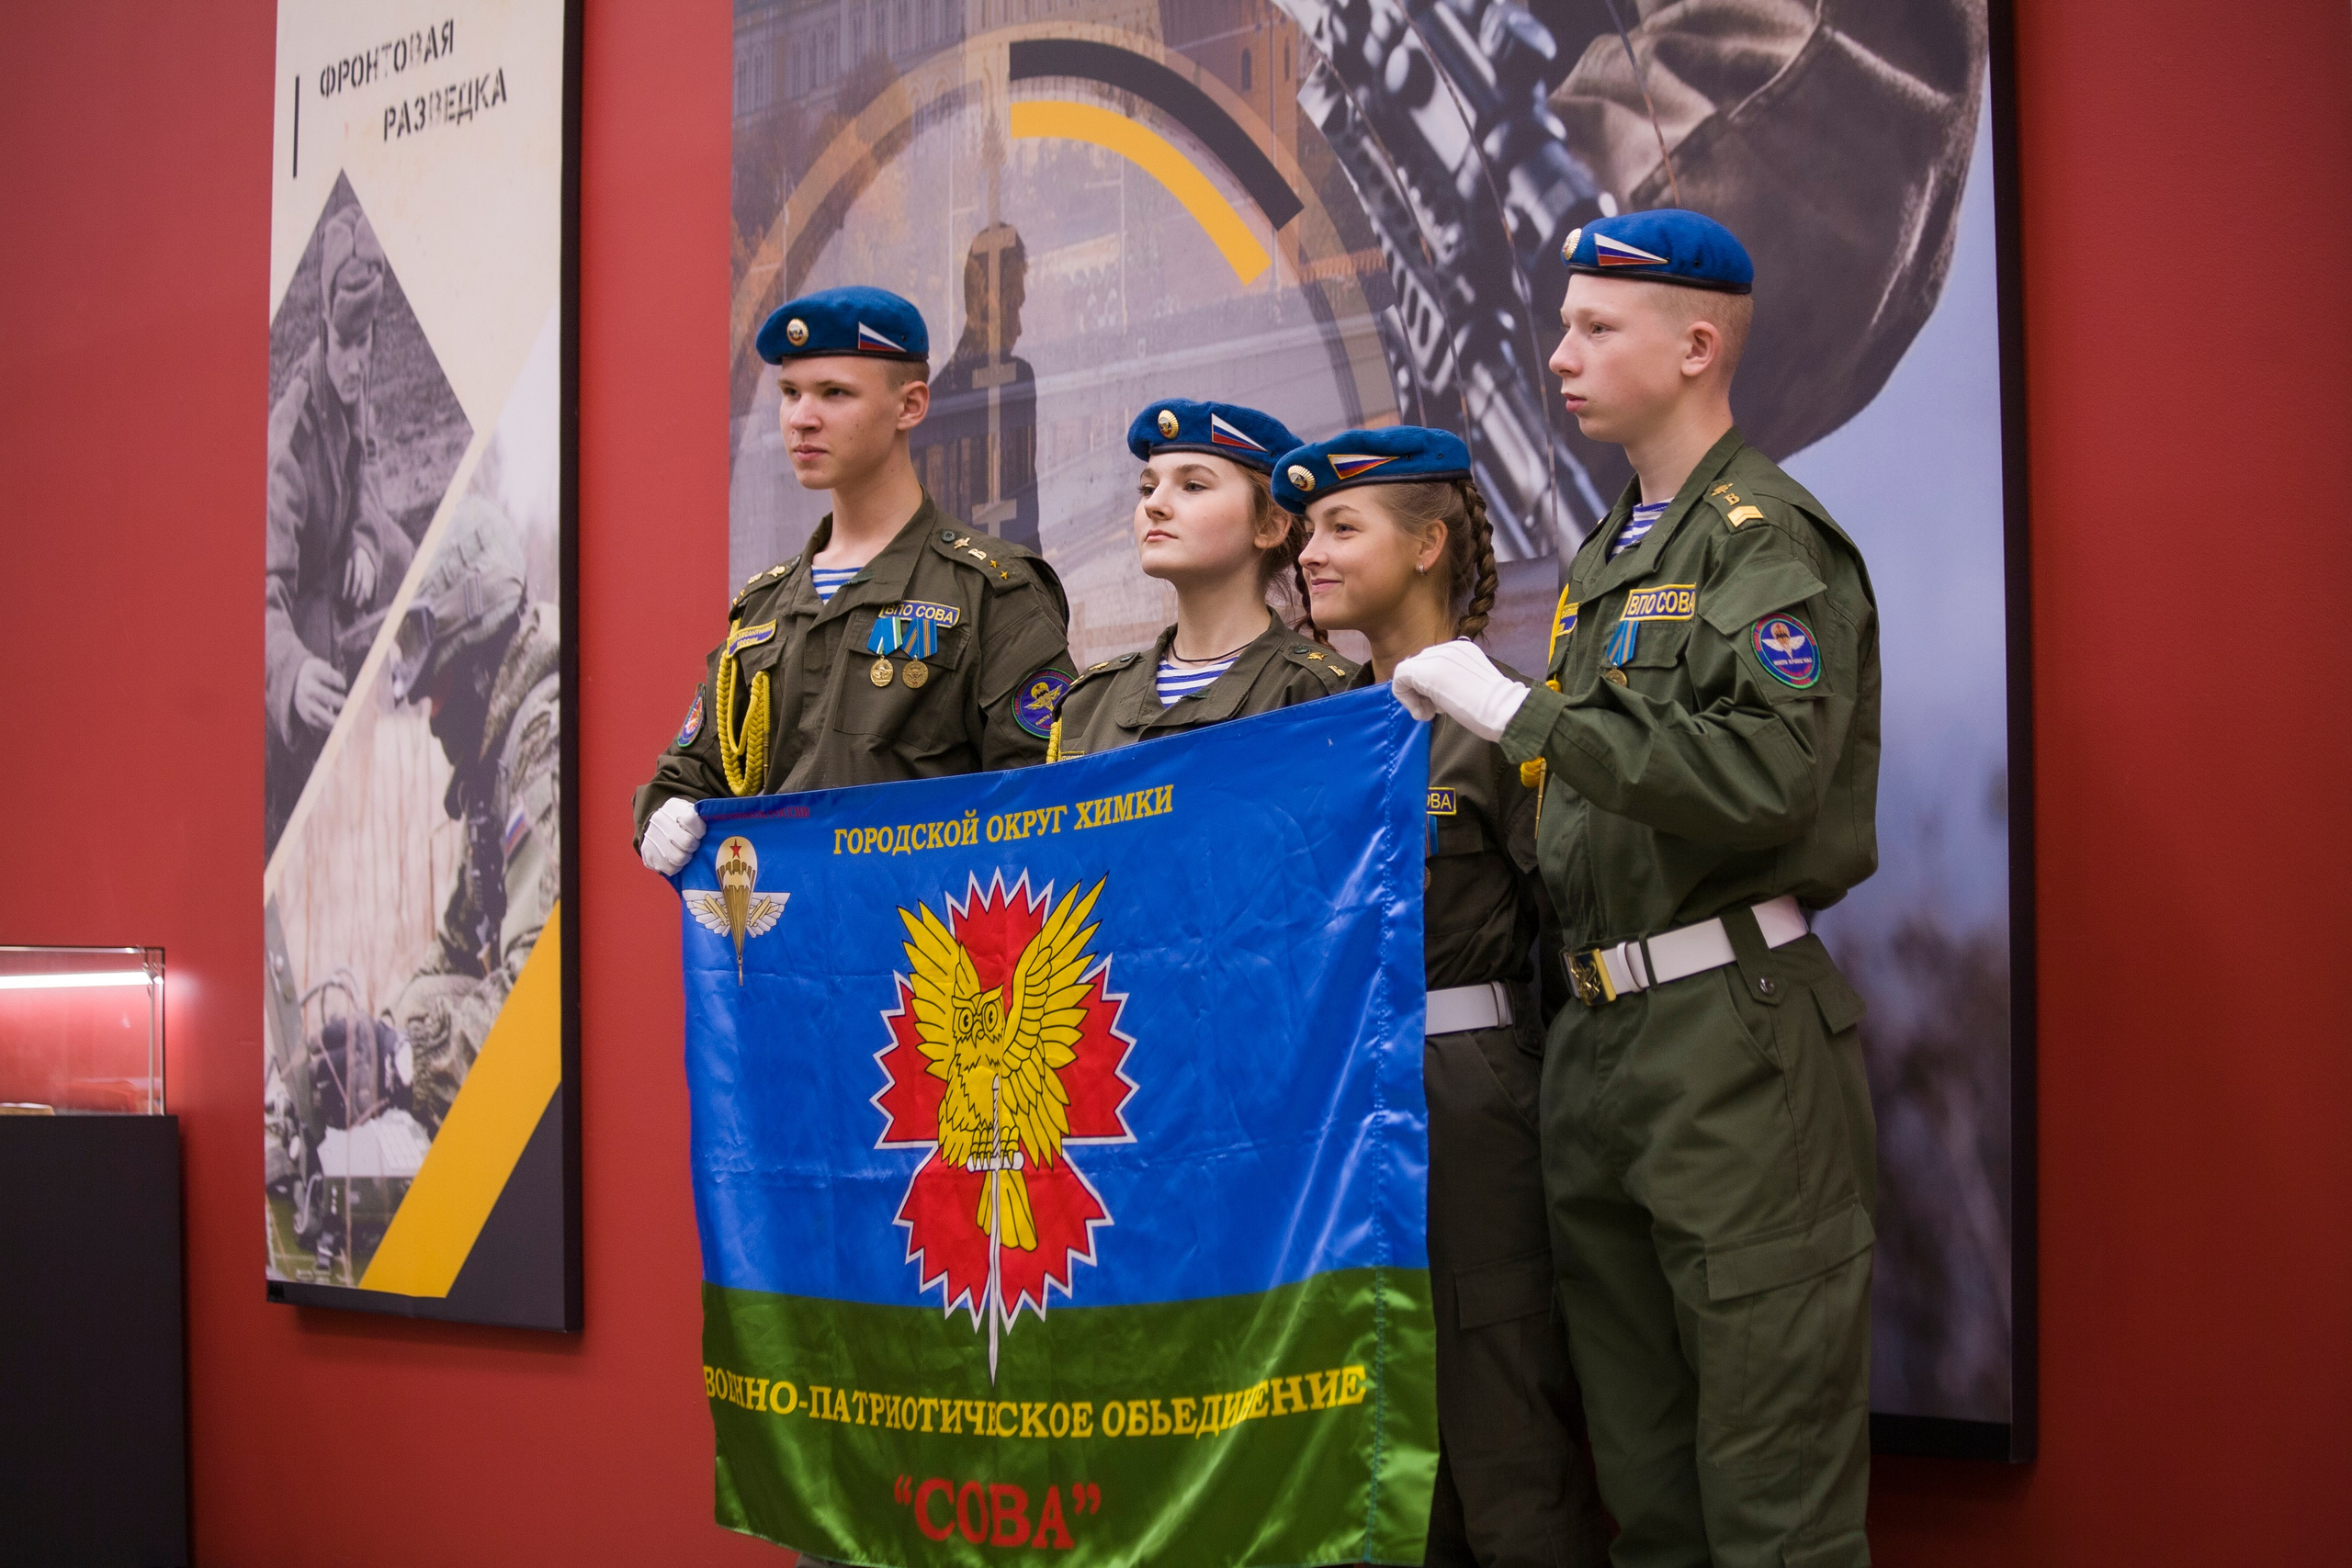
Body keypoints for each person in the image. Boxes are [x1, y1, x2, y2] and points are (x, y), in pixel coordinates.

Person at [1390, 209, 1882, 1567]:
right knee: (1649, 1491)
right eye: (1563, 324)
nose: (1562, 353)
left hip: (1733, 1027)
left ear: (1698, 344)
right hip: (1601, 1038)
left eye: (1598, 327)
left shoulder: (1763, 539)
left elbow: (1771, 775)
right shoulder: (1610, 556)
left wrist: (1525, 716)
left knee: (1770, 1501)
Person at [1275, 427, 1611, 1568]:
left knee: (1499, 1431)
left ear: (1426, 546)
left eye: (1339, 528)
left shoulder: (1500, 719)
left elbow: (1579, 935)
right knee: (1375, 1454)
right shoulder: (1316, 741)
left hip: (1470, 1106)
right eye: (1308, 530)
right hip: (1338, 1118)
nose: (1310, 552)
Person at [636, 286, 1074, 875]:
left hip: (928, 953)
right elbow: (688, 775)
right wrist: (661, 815)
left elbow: (1052, 801)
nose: (801, 418)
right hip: (778, 954)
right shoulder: (764, 607)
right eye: (790, 393)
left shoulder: (990, 590)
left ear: (910, 406)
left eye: (834, 393)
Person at [382, 492, 560, 1134]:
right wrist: (375, 1043)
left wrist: (404, 1067)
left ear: (479, 650)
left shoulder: (546, 743)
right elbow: (457, 951)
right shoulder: (494, 756)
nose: (429, 709)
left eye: (439, 682)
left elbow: (544, 998)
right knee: (421, 1005)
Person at [1046, 398, 1353, 760]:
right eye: (1147, 488)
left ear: (1269, 525)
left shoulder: (1320, 693)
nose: (1153, 505)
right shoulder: (1089, 702)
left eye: (1192, 486)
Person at [265, 206, 417, 852]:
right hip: (301, 609)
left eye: (367, 345)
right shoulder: (288, 436)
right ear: (325, 327)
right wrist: (291, 672)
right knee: (318, 711)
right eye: (347, 346)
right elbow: (262, 587)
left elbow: (370, 470)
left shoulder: (357, 398)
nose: (357, 364)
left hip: (339, 582)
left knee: (402, 551)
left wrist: (362, 536)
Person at [911, 222, 1040, 549]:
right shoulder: (1012, 380)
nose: (1020, 327)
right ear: (983, 305)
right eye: (1012, 305)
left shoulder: (934, 399)